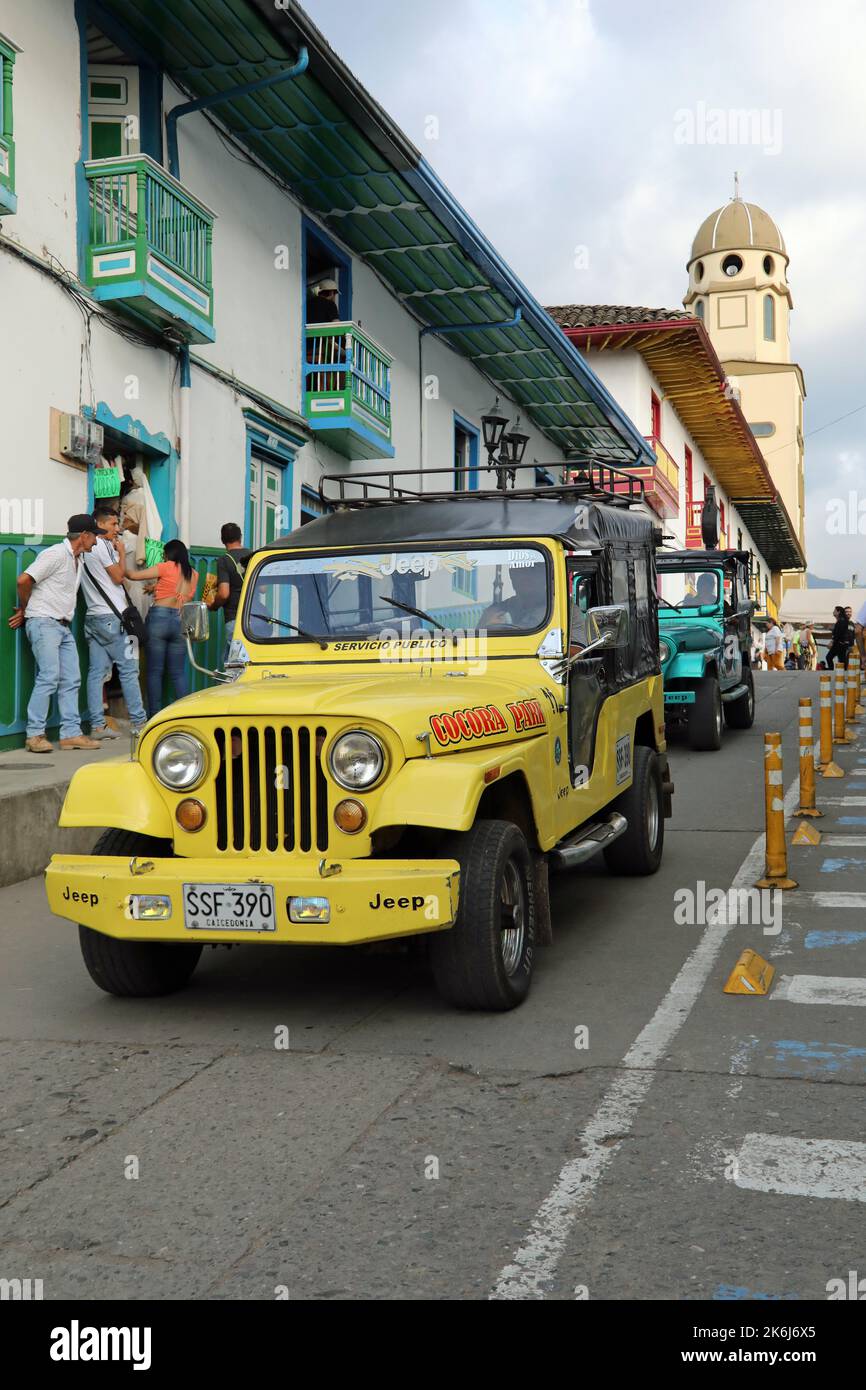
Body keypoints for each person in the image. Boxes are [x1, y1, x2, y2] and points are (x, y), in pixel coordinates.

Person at [8, 514, 101, 753]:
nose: (96, 542)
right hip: (44, 622)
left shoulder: (77, 560)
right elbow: (23, 580)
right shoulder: (55, 554)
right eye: (94, 537)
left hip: (62, 625)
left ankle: (71, 734)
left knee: (71, 679)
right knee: (49, 676)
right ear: (84, 536)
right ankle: (34, 735)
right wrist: (27, 610)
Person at [80, 503, 148, 738]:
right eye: (113, 523)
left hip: (93, 618)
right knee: (129, 670)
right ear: (99, 524)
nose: (117, 528)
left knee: (96, 672)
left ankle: (97, 726)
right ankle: (140, 723)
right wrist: (120, 553)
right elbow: (119, 578)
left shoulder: (84, 548)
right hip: (114, 620)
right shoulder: (103, 546)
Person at [125, 539, 199, 716]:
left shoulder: (166, 566)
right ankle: (185, 714)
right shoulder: (193, 573)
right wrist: (156, 587)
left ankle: (154, 716)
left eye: (165, 554)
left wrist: (120, 557)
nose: (164, 557)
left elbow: (133, 576)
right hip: (181, 621)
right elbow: (180, 592)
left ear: (169, 554)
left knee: (155, 672)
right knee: (178, 673)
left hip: (159, 619)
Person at [207, 523, 251, 656]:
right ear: (240, 537)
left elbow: (224, 594)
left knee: (234, 666)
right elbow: (263, 589)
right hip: (254, 618)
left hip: (234, 619)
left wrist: (214, 605)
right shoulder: (252, 555)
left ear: (222, 540)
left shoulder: (224, 561)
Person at [480, 561, 548, 628]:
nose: (525, 576)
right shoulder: (496, 610)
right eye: (520, 572)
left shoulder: (553, 608)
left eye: (533, 571)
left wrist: (498, 629)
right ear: (511, 577)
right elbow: (476, 636)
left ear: (544, 576)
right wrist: (488, 626)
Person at [826, 606, 852, 670]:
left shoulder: (842, 621)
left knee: (830, 657)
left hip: (840, 644)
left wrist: (832, 642)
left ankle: (832, 670)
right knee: (841, 660)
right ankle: (841, 672)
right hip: (840, 644)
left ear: (838, 612)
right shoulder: (841, 620)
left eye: (834, 611)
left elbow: (839, 634)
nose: (833, 612)